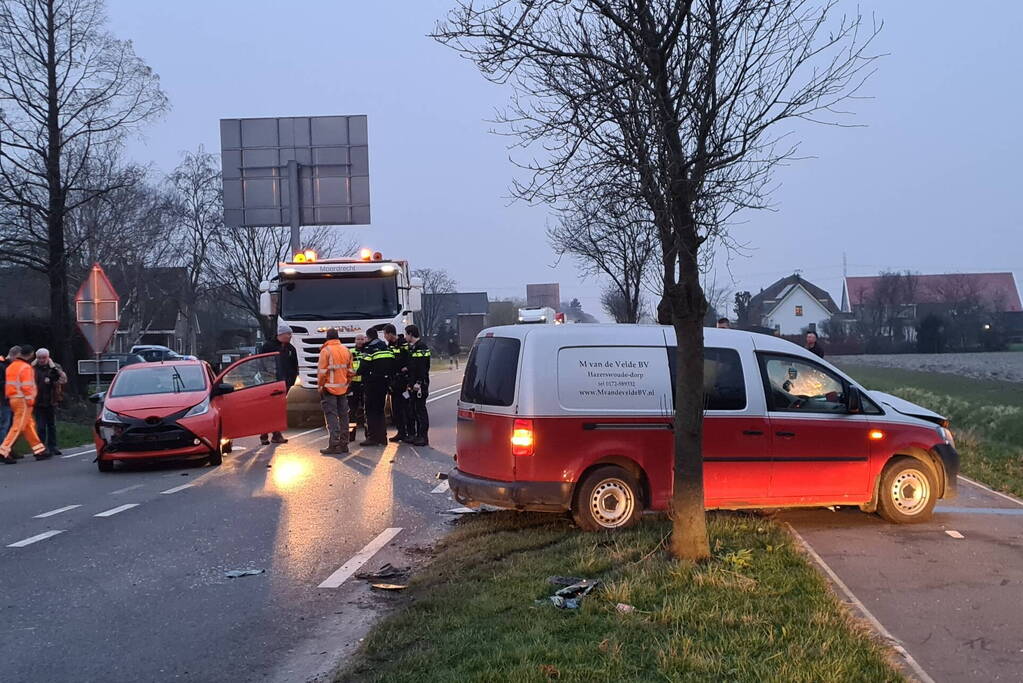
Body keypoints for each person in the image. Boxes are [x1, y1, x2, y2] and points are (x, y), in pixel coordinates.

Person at [1, 345, 47, 463]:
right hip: (23, 400)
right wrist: (30, 400)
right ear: (31, 354)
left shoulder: (11, 367)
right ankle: (3, 451)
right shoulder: (26, 368)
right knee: (18, 426)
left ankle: (39, 450)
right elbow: (27, 386)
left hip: (13, 398)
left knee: (28, 425)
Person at [258, 322, 300, 445]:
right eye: (288, 334)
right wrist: (267, 378)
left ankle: (275, 434)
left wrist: (291, 381)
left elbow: (294, 366)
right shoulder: (268, 347)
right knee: (269, 409)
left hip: (284, 384)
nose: (290, 336)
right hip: (271, 383)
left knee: (278, 410)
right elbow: (261, 363)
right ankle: (265, 433)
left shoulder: (290, 349)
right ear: (281, 334)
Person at [317, 328, 354, 455]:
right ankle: (344, 443)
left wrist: (320, 386)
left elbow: (322, 372)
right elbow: (350, 371)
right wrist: (347, 383)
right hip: (343, 388)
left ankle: (334, 443)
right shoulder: (346, 350)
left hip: (329, 388)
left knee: (331, 416)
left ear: (327, 338)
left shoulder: (325, 351)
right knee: (344, 415)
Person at [358, 326, 394, 446]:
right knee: (380, 410)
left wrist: (357, 373)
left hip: (371, 384)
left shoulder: (370, 349)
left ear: (368, 337)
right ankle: (382, 438)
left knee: (370, 411)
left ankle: (372, 437)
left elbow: (363, 366)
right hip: (383, 384)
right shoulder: (386, 348)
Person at [32, 348, 67, 456]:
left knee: (51, 425)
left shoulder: (55, 367)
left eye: (44, 358)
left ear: (48, 357)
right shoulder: (32, 368)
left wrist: (54, 368)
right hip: (37, 401)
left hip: (51, 400)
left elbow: (63, 380)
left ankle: (53, 446)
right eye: (39, 358)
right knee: (41, 426)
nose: (42, 360)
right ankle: (42, 447)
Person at [382, 323, 411, 443]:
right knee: (396, 409)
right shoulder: (390, 345)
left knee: (406, 408)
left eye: (385, 334)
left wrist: (406, 369)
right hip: (394, 382)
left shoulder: (404, 344)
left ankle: (410, 432)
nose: (384, 337)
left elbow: (409, 359)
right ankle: (401, 432)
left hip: (404, 381)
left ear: (389, 334)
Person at [404, 325, 431, 446]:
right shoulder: (413, 348)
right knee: (414, 409)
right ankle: (416, 435)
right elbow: (414, 366)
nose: (405, 337)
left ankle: (423, 437)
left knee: (420, 410)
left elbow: (423, 367)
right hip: (413, 383)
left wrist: (419, 382)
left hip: (420, 385)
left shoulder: (421, 347)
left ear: (410, 334)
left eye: (406, 334)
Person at [348, 333, 368, 442]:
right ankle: (351, 435)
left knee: (366, 411)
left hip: (365, 384)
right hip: (353, 385)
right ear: (355, 340)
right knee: (352, 411)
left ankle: (368, 435)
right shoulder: (350, 352)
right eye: (358, 339)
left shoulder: (367, 351)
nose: (360, 341)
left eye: (362, 339)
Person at [0, 346, 18, 455]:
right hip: (4, 400)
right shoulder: (2, 366)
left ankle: (10, 449)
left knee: (11, 426)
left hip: (12, 400)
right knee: (4, 426)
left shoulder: (10, 366)